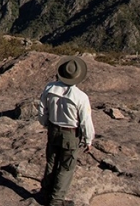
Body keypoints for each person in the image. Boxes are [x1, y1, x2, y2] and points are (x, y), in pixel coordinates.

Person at [37, 56, 95, 206]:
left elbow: (42, 109)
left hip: (53, 128)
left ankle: (45, 193)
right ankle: (56, 200)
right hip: (70, 134)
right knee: (66, 166)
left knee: (51, 162)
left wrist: (45, 124)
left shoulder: (50, 88)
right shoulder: (81, 97)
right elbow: (85, 121)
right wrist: (88, 140)